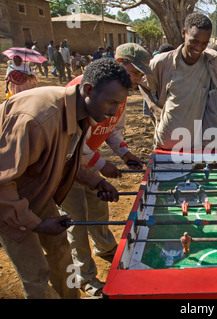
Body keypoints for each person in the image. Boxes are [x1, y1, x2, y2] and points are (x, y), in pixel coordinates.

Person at [0, 58, 132, 299]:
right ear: (89, 89)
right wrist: (35, 224)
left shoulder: (81, 112)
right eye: (111, 102)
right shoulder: (39, 118)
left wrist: (96, 181)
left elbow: (61, 160)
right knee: (36, 274)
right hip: (9, 204)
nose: (114, 111)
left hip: (36, 192)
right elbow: (2, 182)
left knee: (61, 251)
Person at [60, 43, 150, 297]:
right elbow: (72, 144)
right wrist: (102, 164)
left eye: (140, 76)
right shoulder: (85, 89)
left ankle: (104, 246)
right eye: (135, 73)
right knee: (77, 220)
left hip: (90, 163)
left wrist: (124, 153)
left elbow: (112, 130)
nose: (137, 80)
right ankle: (84, 275)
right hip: (70, 166)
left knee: (98, 206)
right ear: (120, 63)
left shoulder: (118, 95)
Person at [141, 13, 217, 150]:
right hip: (167, 143)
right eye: (194, 41)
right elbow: (141, 82)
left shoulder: (212, 61)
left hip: (197, 145)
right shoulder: (163, 62)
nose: (199, 48)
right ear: (184, 33)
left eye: (204, 43)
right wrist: (153, 107)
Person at [142, 43, 174, 119]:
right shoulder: (154, 62)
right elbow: (143, 83)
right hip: (158, 104)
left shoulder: (177, 64)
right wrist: (153, 107)